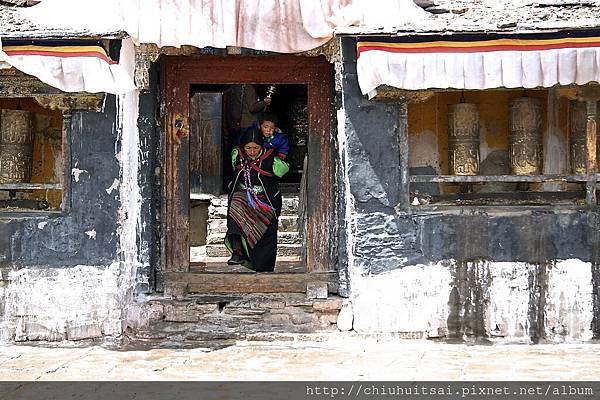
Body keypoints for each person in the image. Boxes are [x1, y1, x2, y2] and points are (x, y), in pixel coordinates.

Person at [225, 128, 289, 272]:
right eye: (248, 148)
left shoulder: (271, 158)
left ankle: (264, 266)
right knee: (235, 206)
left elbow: (283, 171)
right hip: (244, 195)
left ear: (262, 146)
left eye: (255, 148)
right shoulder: (238, 155)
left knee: (268, 225)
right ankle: (238, 251)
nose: (252, 151)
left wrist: (277, 163)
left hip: (265, 199)